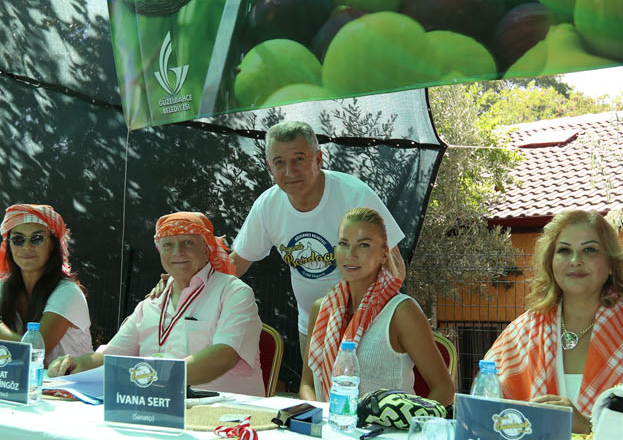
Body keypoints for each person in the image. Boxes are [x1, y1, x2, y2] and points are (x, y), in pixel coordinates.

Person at [484, 209, 623, 423]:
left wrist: (587, 426)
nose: (575, 260)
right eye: (564, 251)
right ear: (551, 263)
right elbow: (485, 410)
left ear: (611, 265)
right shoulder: (520, 333)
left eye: (590, 250)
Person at [49, 212, 263, 395]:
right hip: (156, 406)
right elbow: (109, 358)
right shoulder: (151, 303)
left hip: (226, 418)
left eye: (188, 242)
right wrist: (75, 365)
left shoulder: (234, 292)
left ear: (207, 249)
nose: (177, 252)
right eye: (168, 245)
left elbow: (222, 357)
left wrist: (150, 376)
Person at [231, 120, 405, 344]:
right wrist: (193, 282)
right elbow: (237, 263)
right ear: (269, 166)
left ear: (318, 159)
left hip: (368, 326)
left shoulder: (354, 196)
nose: (289, 171)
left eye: (299, 159)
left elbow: (396, 266)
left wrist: (363, 316)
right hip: (312, 328)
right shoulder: (268, 205)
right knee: (312, 381)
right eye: (279, 162)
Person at [300, 207, 454, 408]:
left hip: (386, 437)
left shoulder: (401, 312)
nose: (351, 254)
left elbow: (444, 389)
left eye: (363, 245)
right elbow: (307, 384)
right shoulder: (321, 310)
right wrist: (322, 418)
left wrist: (404, 426)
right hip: (330, 431)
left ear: (383, 254)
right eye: (343, 244)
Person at [0, 204, 92, 362]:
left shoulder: (68, 292)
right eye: (18, 240)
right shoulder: (3, 287)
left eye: (37, 239)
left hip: (67, 384)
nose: (27, 247)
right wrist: (12, 349)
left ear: (53, 245)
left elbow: (33, 353)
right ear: (9, 246)